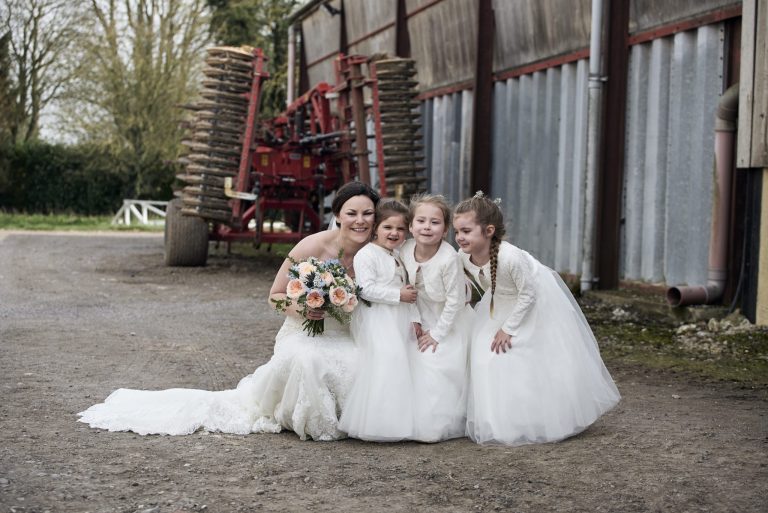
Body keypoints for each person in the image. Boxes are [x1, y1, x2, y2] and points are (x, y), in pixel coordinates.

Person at [78, 181, 380, 441]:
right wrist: (304, 307)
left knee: (364, 363)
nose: (360, 221)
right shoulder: (311, 247)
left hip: (349, 334)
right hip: (305, 332)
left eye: (368, 214)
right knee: (309, 359)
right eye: (352, 213)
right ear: (338, 215)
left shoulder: (380, 252)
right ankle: (311, 421)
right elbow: (274, 297)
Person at [453, 192, 620, 446]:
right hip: (500, 301)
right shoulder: (463, 255)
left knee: (520, 355)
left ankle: (538, 417)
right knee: (483, 355)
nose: (459, 237)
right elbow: (465, 280)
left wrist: (508, 329)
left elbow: (528, 293)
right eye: (456, 232)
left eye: (466, 231)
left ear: (488, 230)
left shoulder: (510, 257)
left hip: (533, 302)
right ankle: (500, 419)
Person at [339, 200, 420, 441]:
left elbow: (407, 288)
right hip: (378, 317)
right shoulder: (367, 254)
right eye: (388, 227)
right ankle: (378, 422)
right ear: (376, 228)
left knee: (404, 364)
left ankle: (401, 419)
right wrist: (399, 295)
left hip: (398, 316)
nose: (394, 233)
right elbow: (365, 289)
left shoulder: (397, 254)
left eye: (400, 229)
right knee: (387, 363)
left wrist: (414, 316)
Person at [399, 194, 472, 442]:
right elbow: (404, 286)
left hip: (447, 320)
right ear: (410, 226)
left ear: (445, 229)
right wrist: (414, 317)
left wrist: (437, 334)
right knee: (401, 357)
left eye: (435, 222)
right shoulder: (405, 249)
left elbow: (455, 301)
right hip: (417, 315)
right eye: (421, 221)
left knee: (435, 361)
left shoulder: (448, 258)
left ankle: (439, 421)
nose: (427, 227)